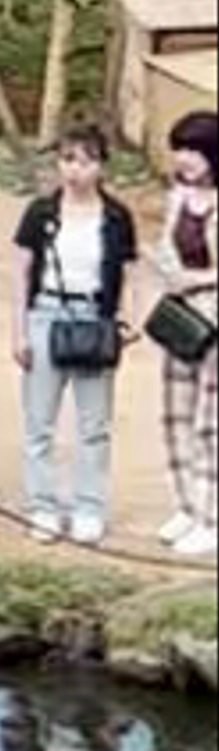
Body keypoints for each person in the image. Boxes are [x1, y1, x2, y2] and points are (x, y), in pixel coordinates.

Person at [11, 121, 136, 548]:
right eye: (67, 160)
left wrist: (126, 317)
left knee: (93, 424)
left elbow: (128, 270)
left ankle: (89, 507)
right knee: (39, 421)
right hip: (46, 312)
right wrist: (19, 330)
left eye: (85, 161)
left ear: (101, 165)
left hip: (94, 315)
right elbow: (21, 270)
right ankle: (44, 506)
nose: (75, 170)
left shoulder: (117, 216)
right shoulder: (41, 213)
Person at [155, 101, 219, 562]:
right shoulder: (177, 197)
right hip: (181, 316)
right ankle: (186, 503)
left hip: (213, 313)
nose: (183, 160)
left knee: (209, 424)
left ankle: (212, 516)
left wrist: (195, 280)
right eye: (179, 150)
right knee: (175, 414)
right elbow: (165, 247)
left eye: (192, 151)